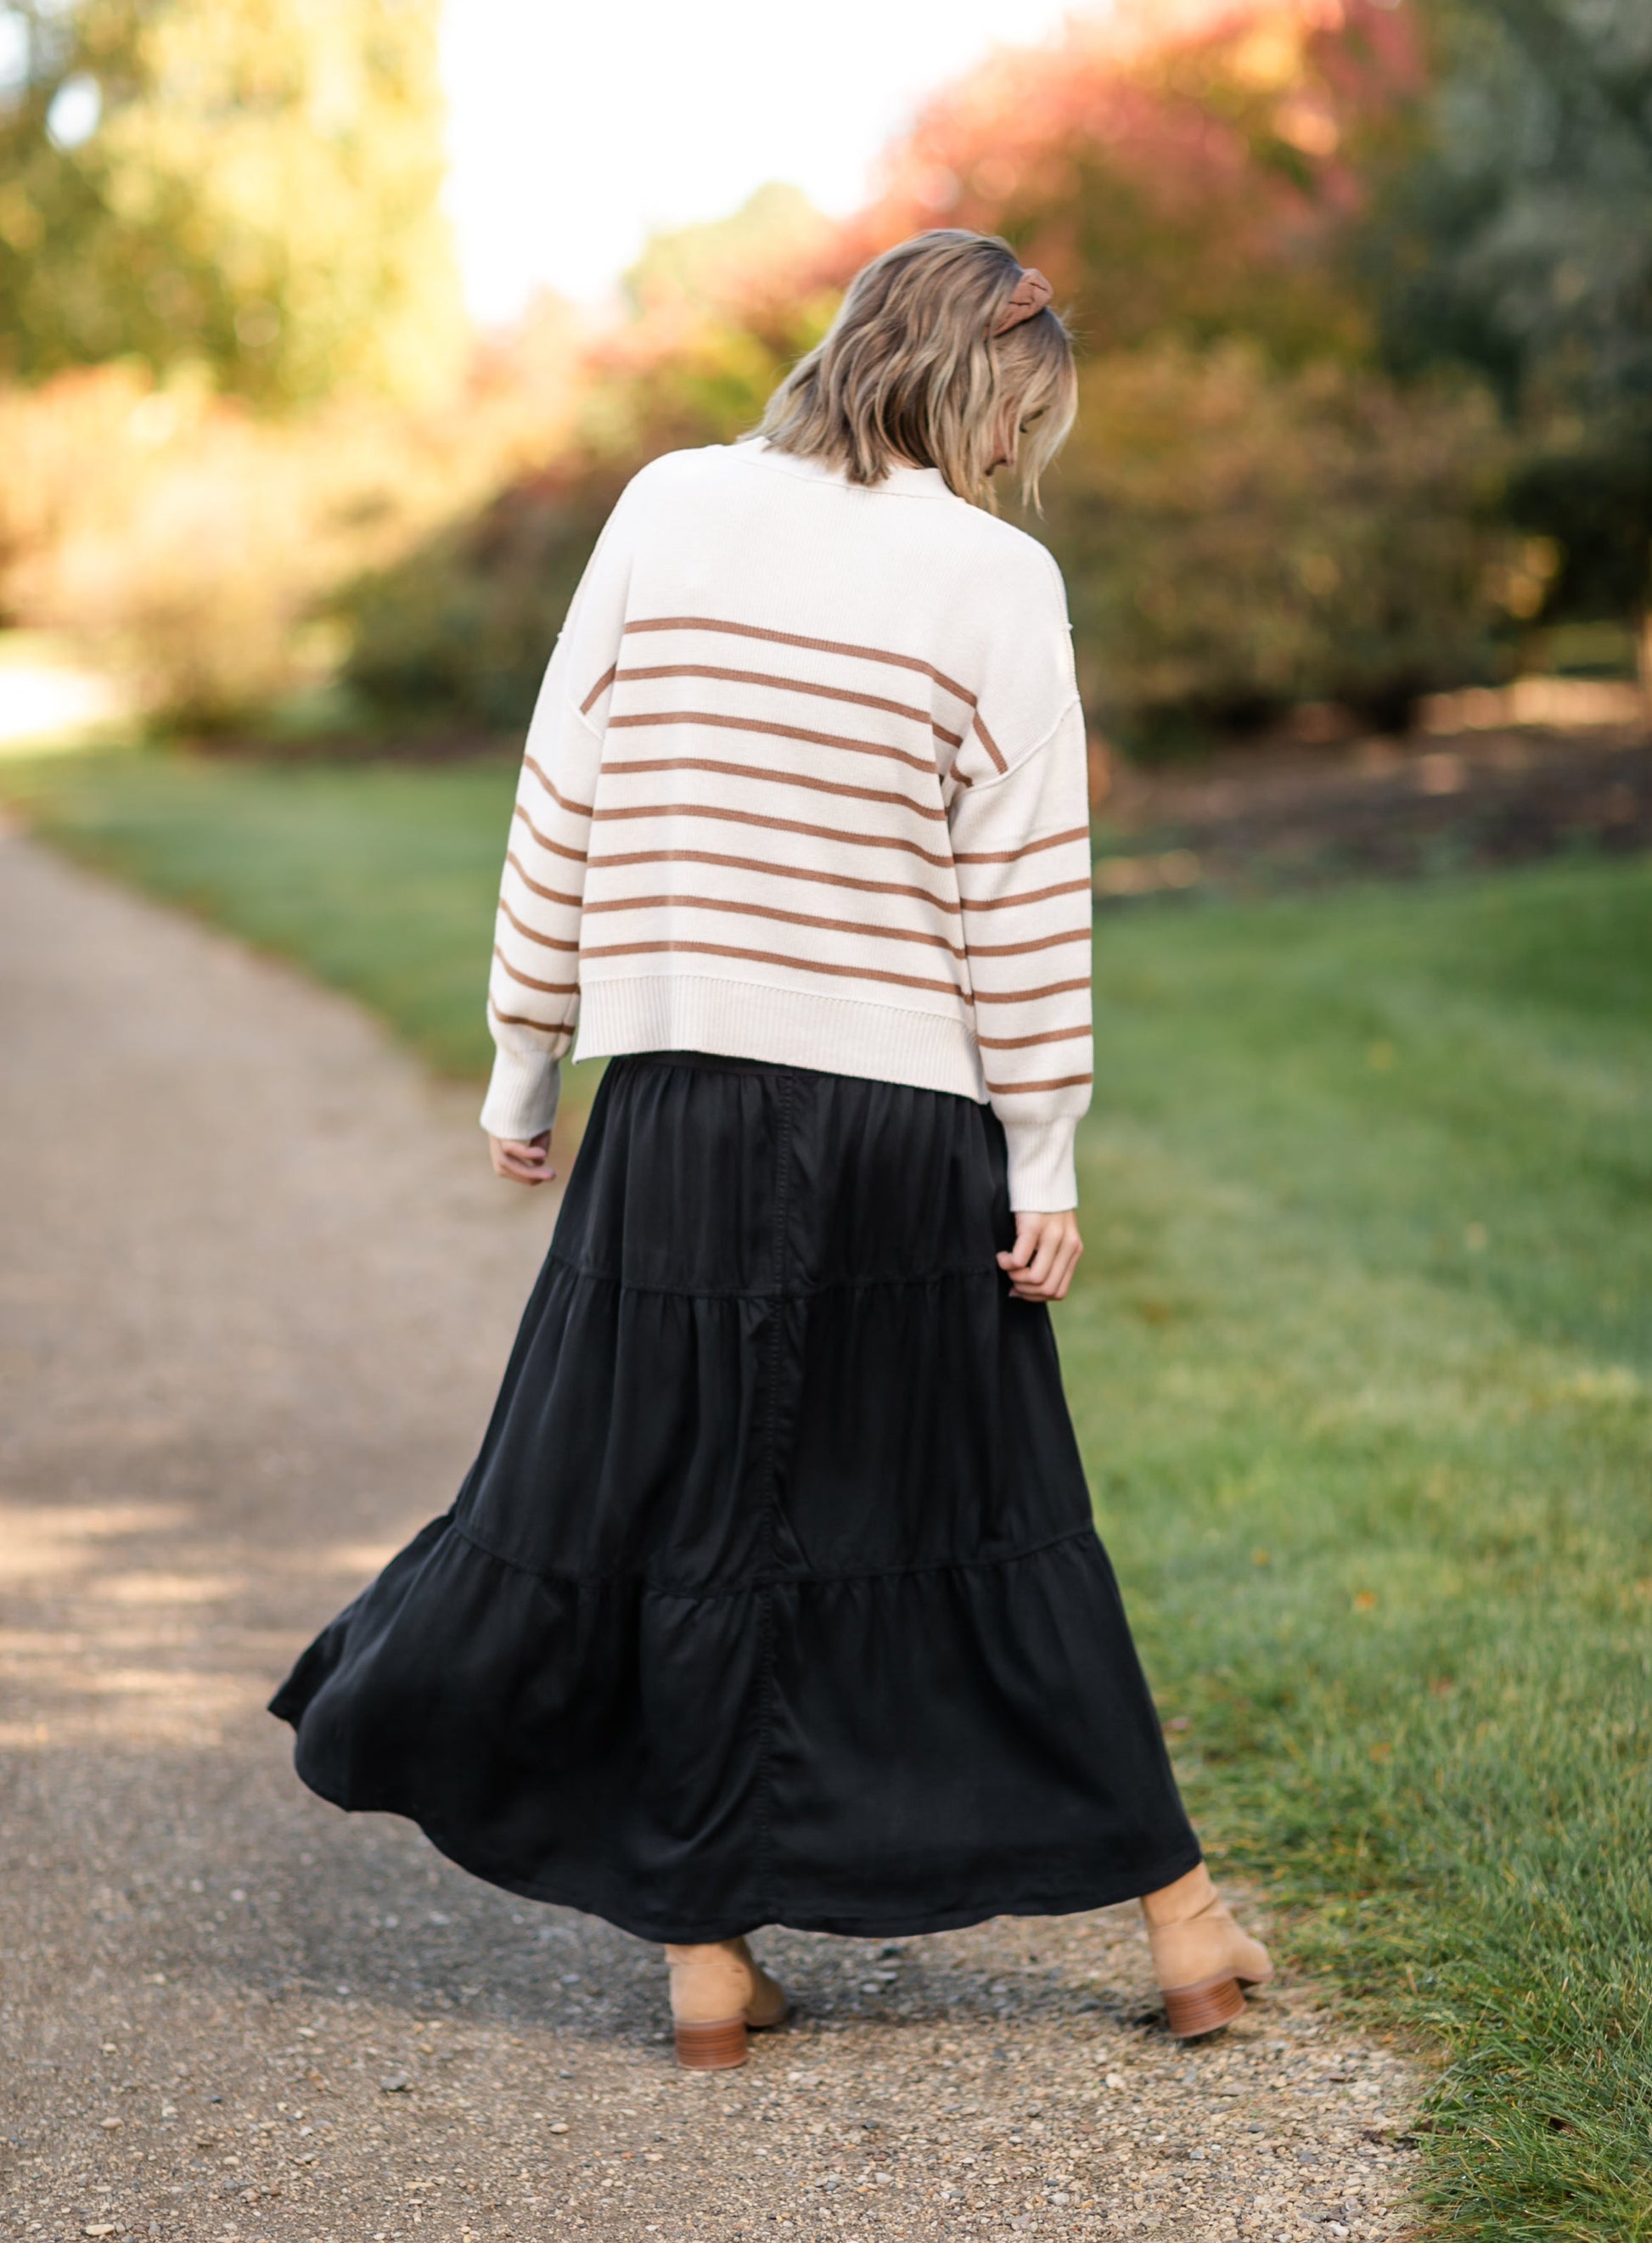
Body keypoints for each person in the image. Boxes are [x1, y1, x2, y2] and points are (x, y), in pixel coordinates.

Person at [271, 228, 1271, 2067]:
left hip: (680, 1106)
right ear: (981, 390)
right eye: (1013, 422)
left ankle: (707, 1958)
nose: (1006, 464)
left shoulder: (667, 508)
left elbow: (559, 789)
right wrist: (1040, 1148)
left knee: (663, 1505)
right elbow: (1023, 888)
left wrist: (522, 1062)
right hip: (908, 1117)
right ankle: (1185, 1932)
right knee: (986, 1514)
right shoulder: (996, 578)